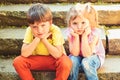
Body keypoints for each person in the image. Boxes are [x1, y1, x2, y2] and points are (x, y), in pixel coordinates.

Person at [13, 3, 72, 80]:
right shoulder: (29, 30)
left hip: (53, 60)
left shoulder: (55, 30)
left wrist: (44, 40)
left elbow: (57, 55)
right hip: (35, 59)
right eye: (34, 27)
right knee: (18, 62)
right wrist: (38, 38)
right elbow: (24, 53)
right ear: (30, 26)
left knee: (66, 61)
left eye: (43, 25)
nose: (39, 30)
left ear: (50, 23)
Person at [66, 3, 105, 80]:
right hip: (78, 57)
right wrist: (76, 37)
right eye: (75, 23)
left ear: (89, 23)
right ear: (70, 24)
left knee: (86, 62)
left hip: (93, 57)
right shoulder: (71, 33)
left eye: (83, 23)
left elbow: (87, 54)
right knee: (72, 60)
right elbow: (74, 53)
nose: (79, 27)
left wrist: (84, 36)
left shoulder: (94, 34)